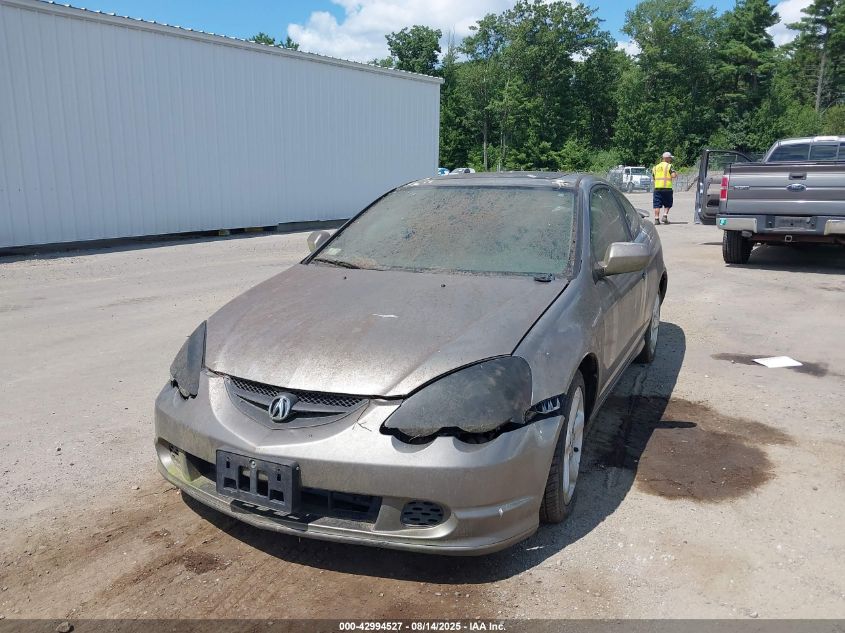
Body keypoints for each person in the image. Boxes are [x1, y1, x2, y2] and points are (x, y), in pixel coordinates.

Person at [652, 151, 678, 224]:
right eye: (670, 158)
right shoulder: (669, 166)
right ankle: (665, 216)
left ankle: (656, 219)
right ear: (667, 158)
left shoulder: (655, 167)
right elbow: (673, 175)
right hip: (667, 188)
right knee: (668, 203)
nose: (671, 159)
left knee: (657, 204)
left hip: (657, 188)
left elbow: (654, 178)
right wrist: (676, 173)